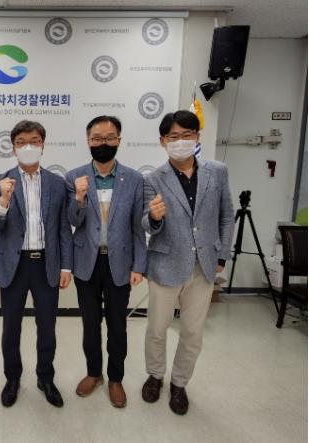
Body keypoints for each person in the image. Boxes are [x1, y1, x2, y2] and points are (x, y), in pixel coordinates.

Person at [141, 110, 234, 415]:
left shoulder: (217, 172)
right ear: (163, 141)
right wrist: (154, 217)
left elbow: (226, 215)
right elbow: (146, 222)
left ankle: (179, 383)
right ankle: (155, 375)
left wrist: (221, 256)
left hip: (203, 266)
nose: (180, 141)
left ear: (197, 137)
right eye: (173, 137)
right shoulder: (153, 179)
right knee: (157, 328)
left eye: (187, 135)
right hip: (165, 264)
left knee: (192, 332)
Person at [0, 120, 73, 408]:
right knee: (11, 327)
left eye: (34, 141)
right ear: (13, 148)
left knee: (47, 326)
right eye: (21, 142)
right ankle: (12, 378)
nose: (28, 147)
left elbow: (63, 229)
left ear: (43, 145)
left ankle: (45, 377)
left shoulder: (57, 183)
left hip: (46, 264)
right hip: (14, 265)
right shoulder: (0, 181)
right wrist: (4, 199)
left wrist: (66, 267)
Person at [65, 115, 147, 408]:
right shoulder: (74, 177)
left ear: (119, 141)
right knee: (90, 324)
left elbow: (138, 226)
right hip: (86, 263)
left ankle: (115, 378)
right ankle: (93, 373)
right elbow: (72, 221)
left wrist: (139, 265)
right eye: (97, 138)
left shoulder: (134, 179)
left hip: (120, 263)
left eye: (110, 138)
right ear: (88, 141)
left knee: (117, 325)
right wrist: (79, 197)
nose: (104, 143)